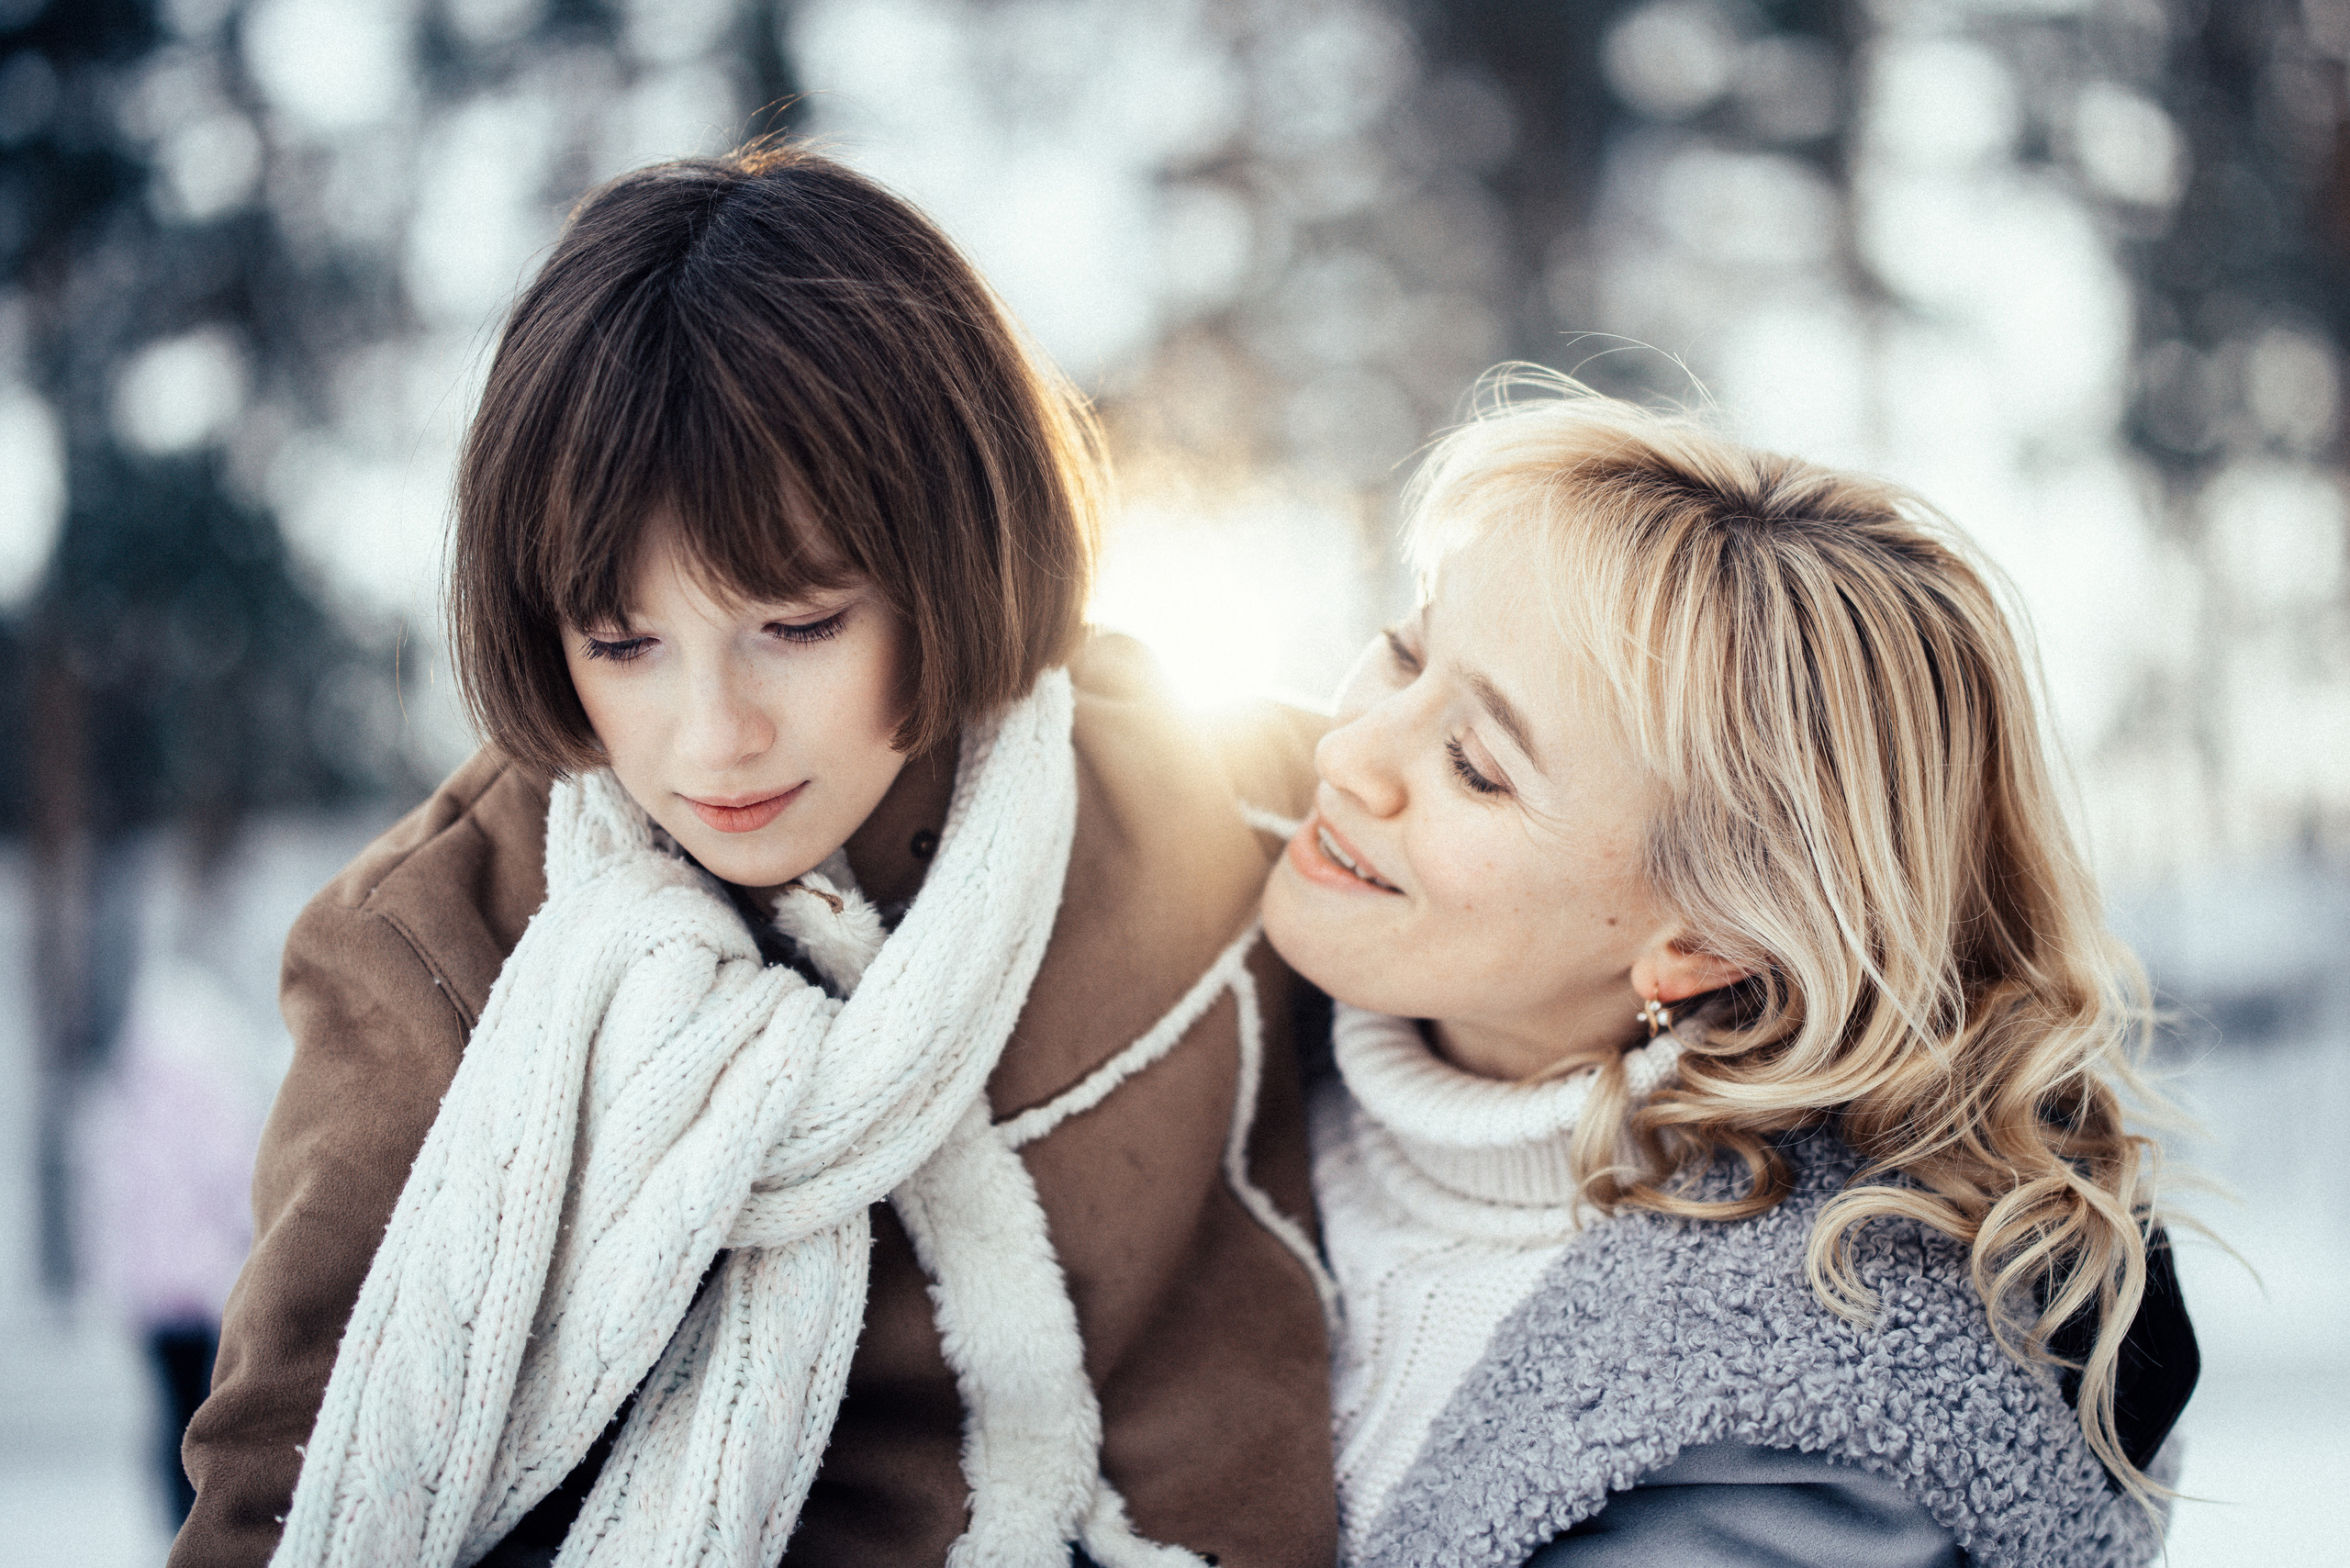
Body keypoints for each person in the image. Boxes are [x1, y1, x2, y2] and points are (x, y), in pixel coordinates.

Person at [170, 144, 1338, 1568]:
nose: (714, 739)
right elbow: (291, 1492)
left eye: (798, 625)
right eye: (624, 644)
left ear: (949, 555)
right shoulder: (436, 951)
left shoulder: (1209, 796)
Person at [1261, 379, 2199, 1568]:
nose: (1346, 750)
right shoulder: (1203, 946)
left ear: (1704, 940)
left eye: (1477, 767)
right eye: (1404, 654)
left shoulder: (1793, 1449)